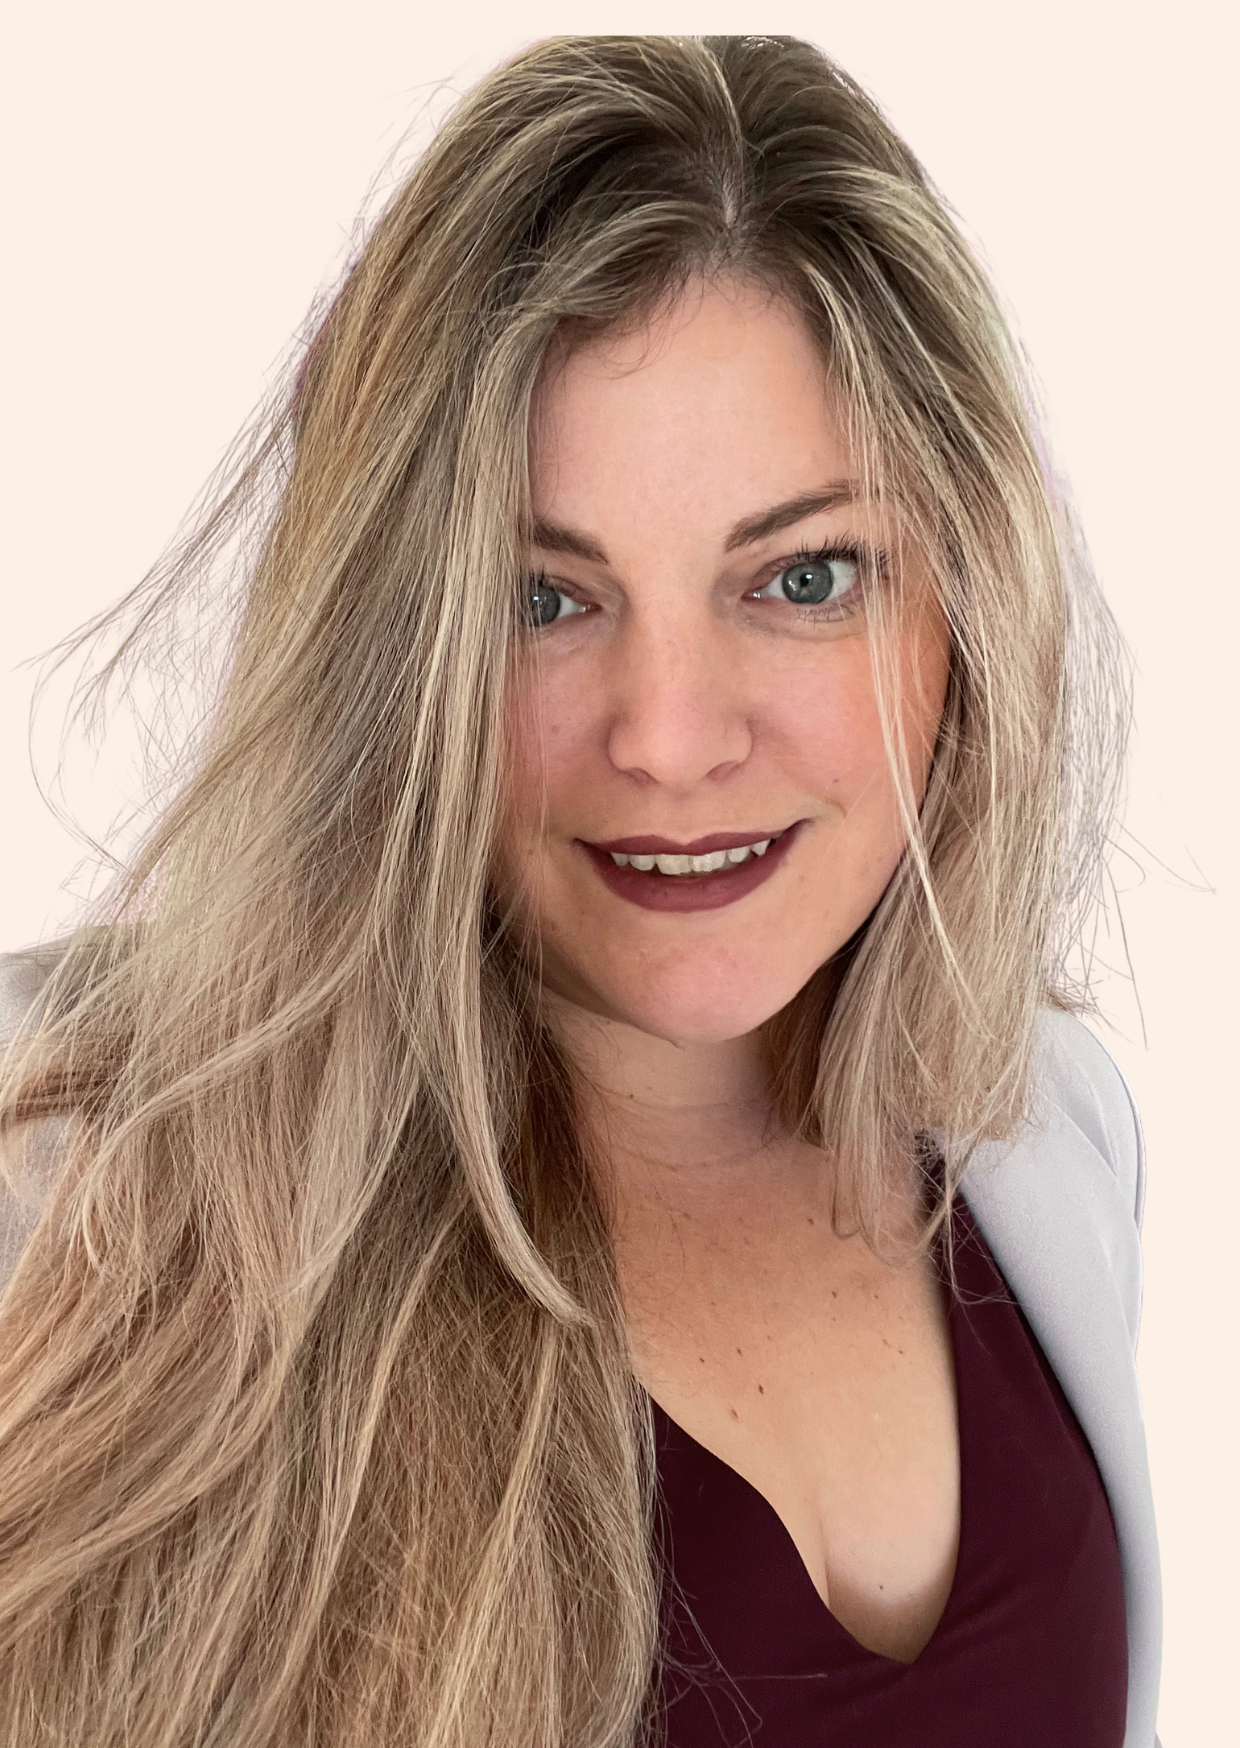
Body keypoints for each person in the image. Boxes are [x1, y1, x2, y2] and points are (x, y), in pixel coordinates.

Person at [0, 32, 1159, 1748]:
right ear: (394, 647)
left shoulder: (1048, 1133)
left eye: (803, 575)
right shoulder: (88, 1202)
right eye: (544, 601)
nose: (670, 737)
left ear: (964, 601)